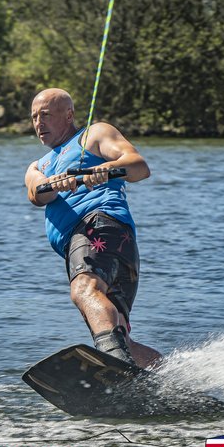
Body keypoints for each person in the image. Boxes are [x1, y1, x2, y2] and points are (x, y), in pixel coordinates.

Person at [24, 88, 162, 369]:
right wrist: (55, 183)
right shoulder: (39, 165)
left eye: (46, 115)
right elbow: (36, 194)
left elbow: (138, 167)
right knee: (119, 335)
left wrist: (104, 169)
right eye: (34, 117)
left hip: (98, 227)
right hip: (97, 245)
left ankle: (116, 366)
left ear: (69, 115)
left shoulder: (94, 135)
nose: (39, 123)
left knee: (84, 290)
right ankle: (172, 377)